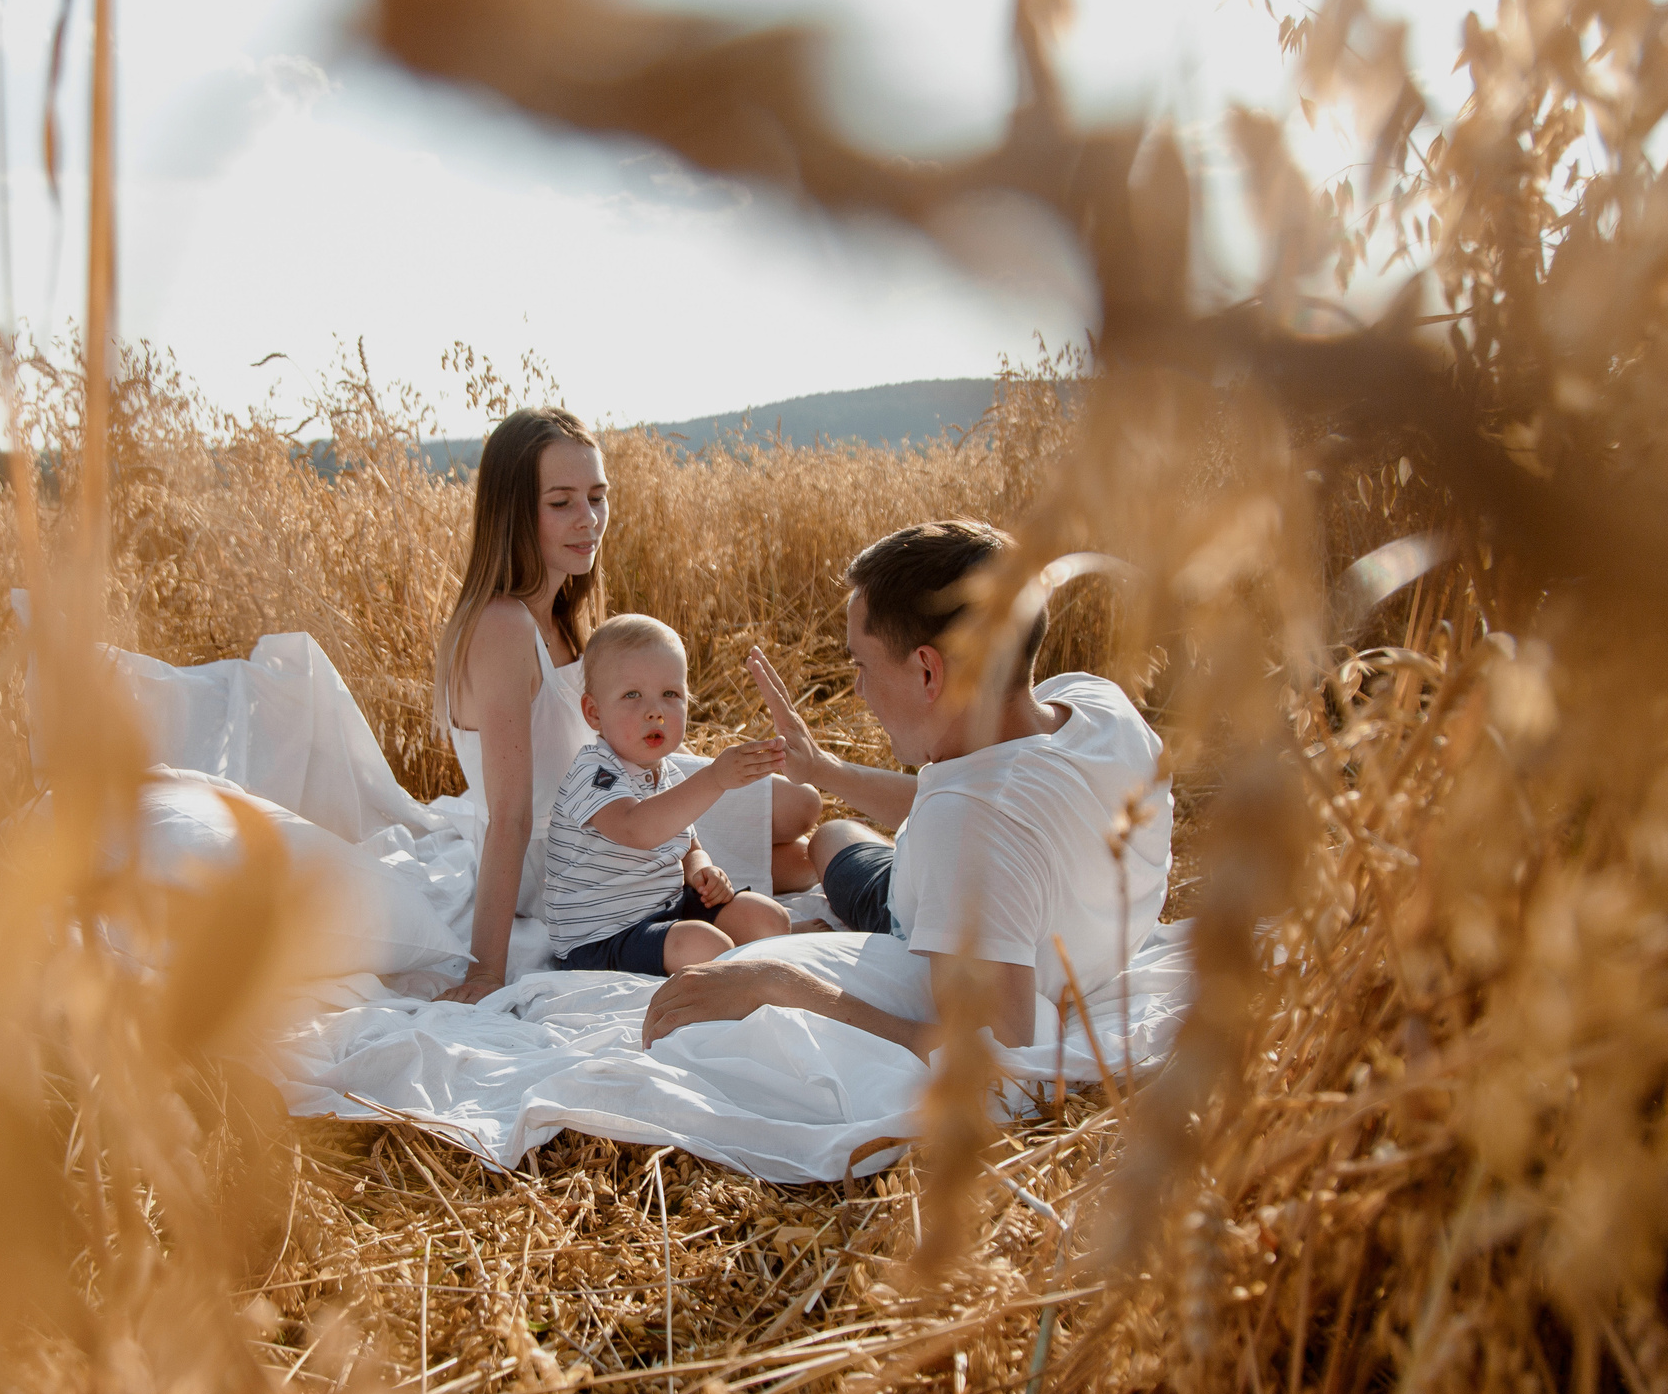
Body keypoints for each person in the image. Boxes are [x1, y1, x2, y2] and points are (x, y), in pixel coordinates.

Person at [640, 519, 1172, 1055]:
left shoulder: (963, 827)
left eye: (863, 664)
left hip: (929, 910)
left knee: (832, 840)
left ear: (927, 672)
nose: (858, 688)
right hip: (1041, 906)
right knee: (833, 836)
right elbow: (990, 794)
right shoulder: (1099, 704)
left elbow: (999, 1051)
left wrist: (779, 987)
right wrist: (822, 769)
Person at [434, 408, 821, 1003]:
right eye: (561, 502)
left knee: (801, 819)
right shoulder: (503, 626)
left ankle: (789, 908)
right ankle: (776, 918)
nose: (588, 519)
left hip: (620, 786)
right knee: (795, 824)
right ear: (513, 512)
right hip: (578, 842)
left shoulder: (562, 613)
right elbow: (511, 814)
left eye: (597, 497)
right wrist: (485, 970)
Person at [543, 615, 792, 973]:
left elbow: (688, 845)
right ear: (594, 713)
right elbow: (636, 828)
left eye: (670, 694)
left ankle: (748, 952)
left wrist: (702, 870)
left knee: (768, 918)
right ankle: (737, 970)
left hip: (667, 907)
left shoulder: (667, 772)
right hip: (603, 936)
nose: (655, 712)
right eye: (632, 695)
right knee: (707, 947)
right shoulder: (594, 771)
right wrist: (715, 778)